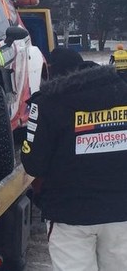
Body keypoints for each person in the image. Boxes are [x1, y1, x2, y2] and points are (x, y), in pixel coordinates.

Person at [21, 47, 127, 271]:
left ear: (52, 72)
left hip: (69, 215)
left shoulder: (48, 104)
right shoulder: (123, 93)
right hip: (121, 213)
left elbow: (33, 164)